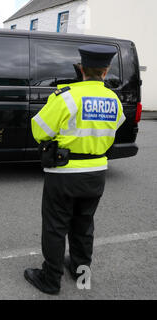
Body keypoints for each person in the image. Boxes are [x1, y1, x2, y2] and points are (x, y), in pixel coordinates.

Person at [24, 44, 127, 295]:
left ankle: (50, 279)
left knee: (56, 226)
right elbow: (115, 128)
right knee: (84, 225)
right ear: (106, 71)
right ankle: (81, 273)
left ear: (81, 68)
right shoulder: (113, 98)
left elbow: (39, 131)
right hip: (96, 172)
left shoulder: (65, 96)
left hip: (64, 173)